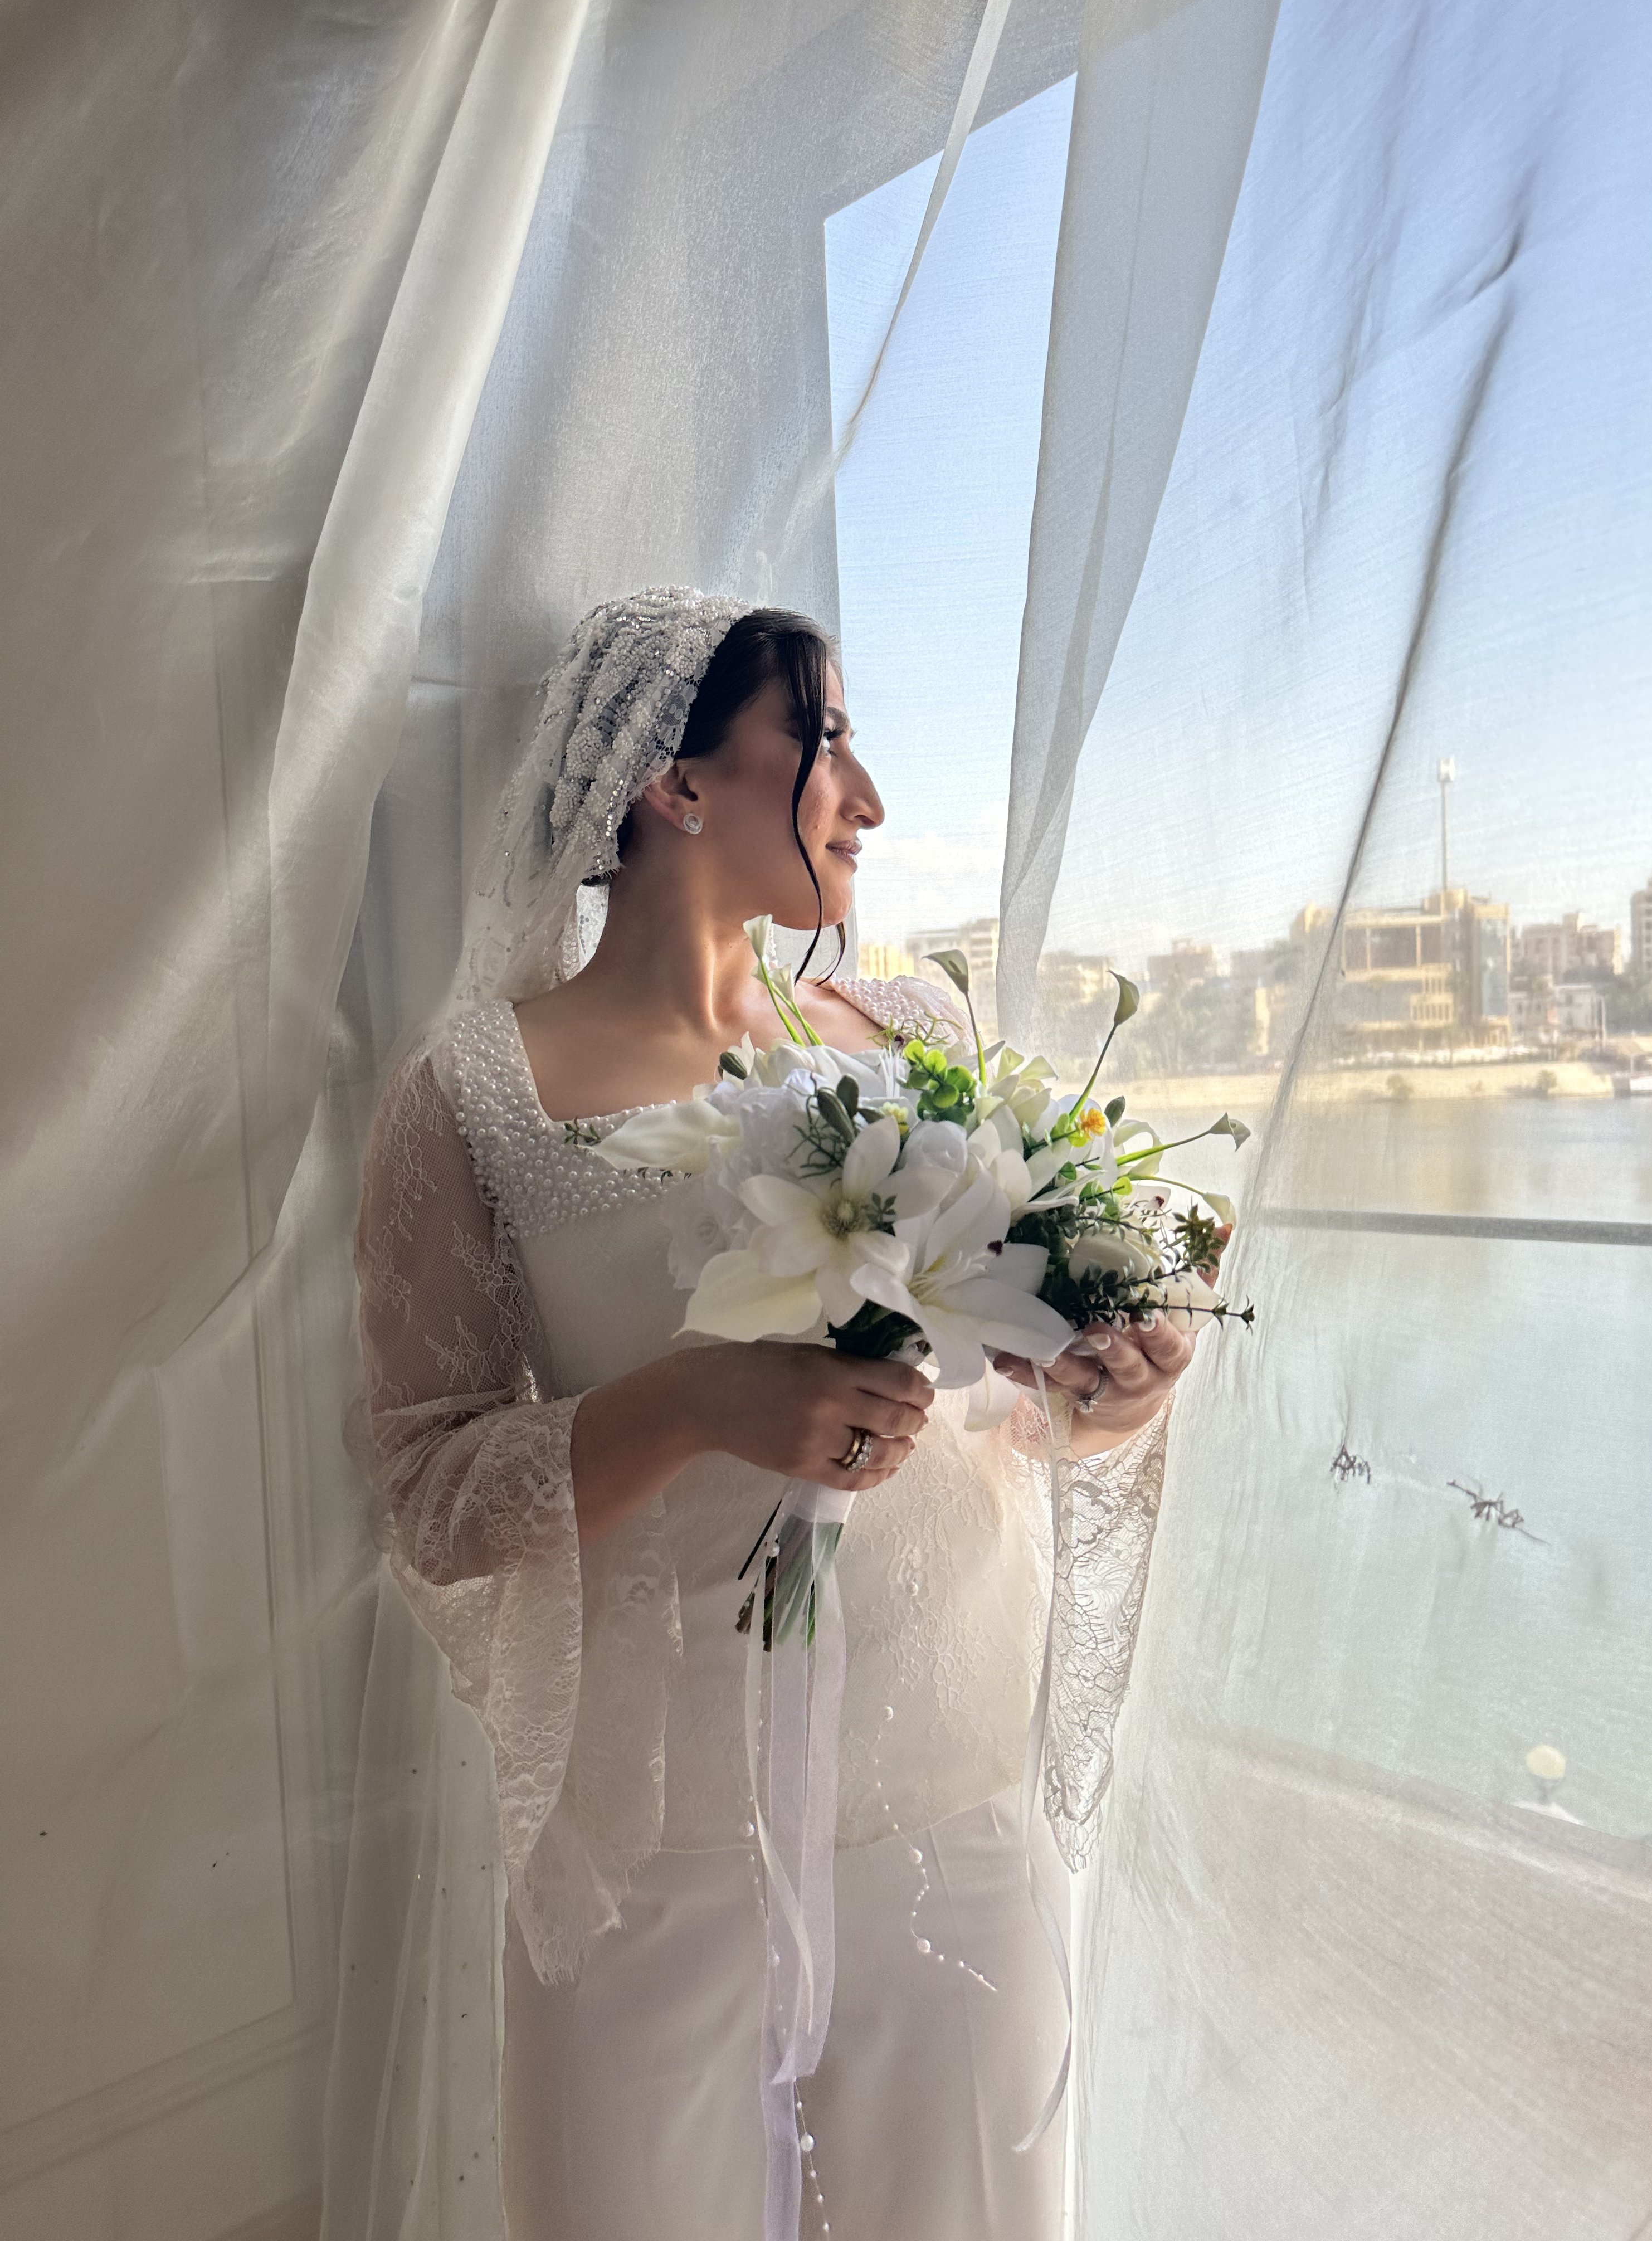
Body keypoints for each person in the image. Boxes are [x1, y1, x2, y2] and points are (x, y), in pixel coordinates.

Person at [353, 587, 1201, 2240]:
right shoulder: (477, 1097)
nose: (867, 804)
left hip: (950, 1804)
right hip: (660, 1842)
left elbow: (999, 1405)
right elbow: (429, 1490)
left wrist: (1102, 1386)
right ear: (676, 785)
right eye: (825, 748)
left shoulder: (921, 1042)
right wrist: (689, 1401)